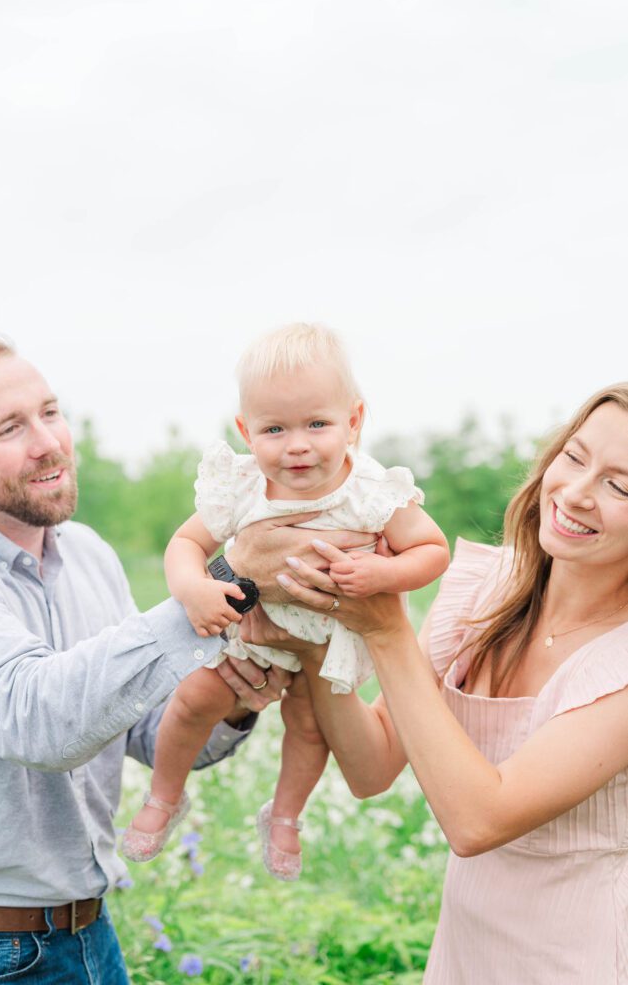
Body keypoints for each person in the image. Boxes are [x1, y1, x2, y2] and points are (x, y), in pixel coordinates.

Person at [0, 333, 337, 984]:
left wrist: (234, 698)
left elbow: (149, 734)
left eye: (49, 411)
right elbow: (36, 721)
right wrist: (222, 583)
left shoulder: (91, 556)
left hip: (92, 937)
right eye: (10, 428)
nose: (48, 441)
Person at [265, 382, 628, 983]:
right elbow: (372, 764)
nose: (577, 494)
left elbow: (477, 820)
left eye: (620, 486)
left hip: (584, 959)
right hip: (467, 952)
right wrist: (312, 638)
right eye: (574, 458)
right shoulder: (486, 590)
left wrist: (387, 631)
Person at [122, 323, 450, 880]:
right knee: (194, 698)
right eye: (275, 428)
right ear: (247, 431)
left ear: (354, 421)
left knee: (309, 725)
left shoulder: (371, 490)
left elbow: (433, 549)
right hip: (250, 630)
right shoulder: (243, 486)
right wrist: (193, 587)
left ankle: (285, 815)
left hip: (325, 639)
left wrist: (383, 570)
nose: (297, 444)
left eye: (317, 424)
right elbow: (187, 543)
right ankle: (164, 796)